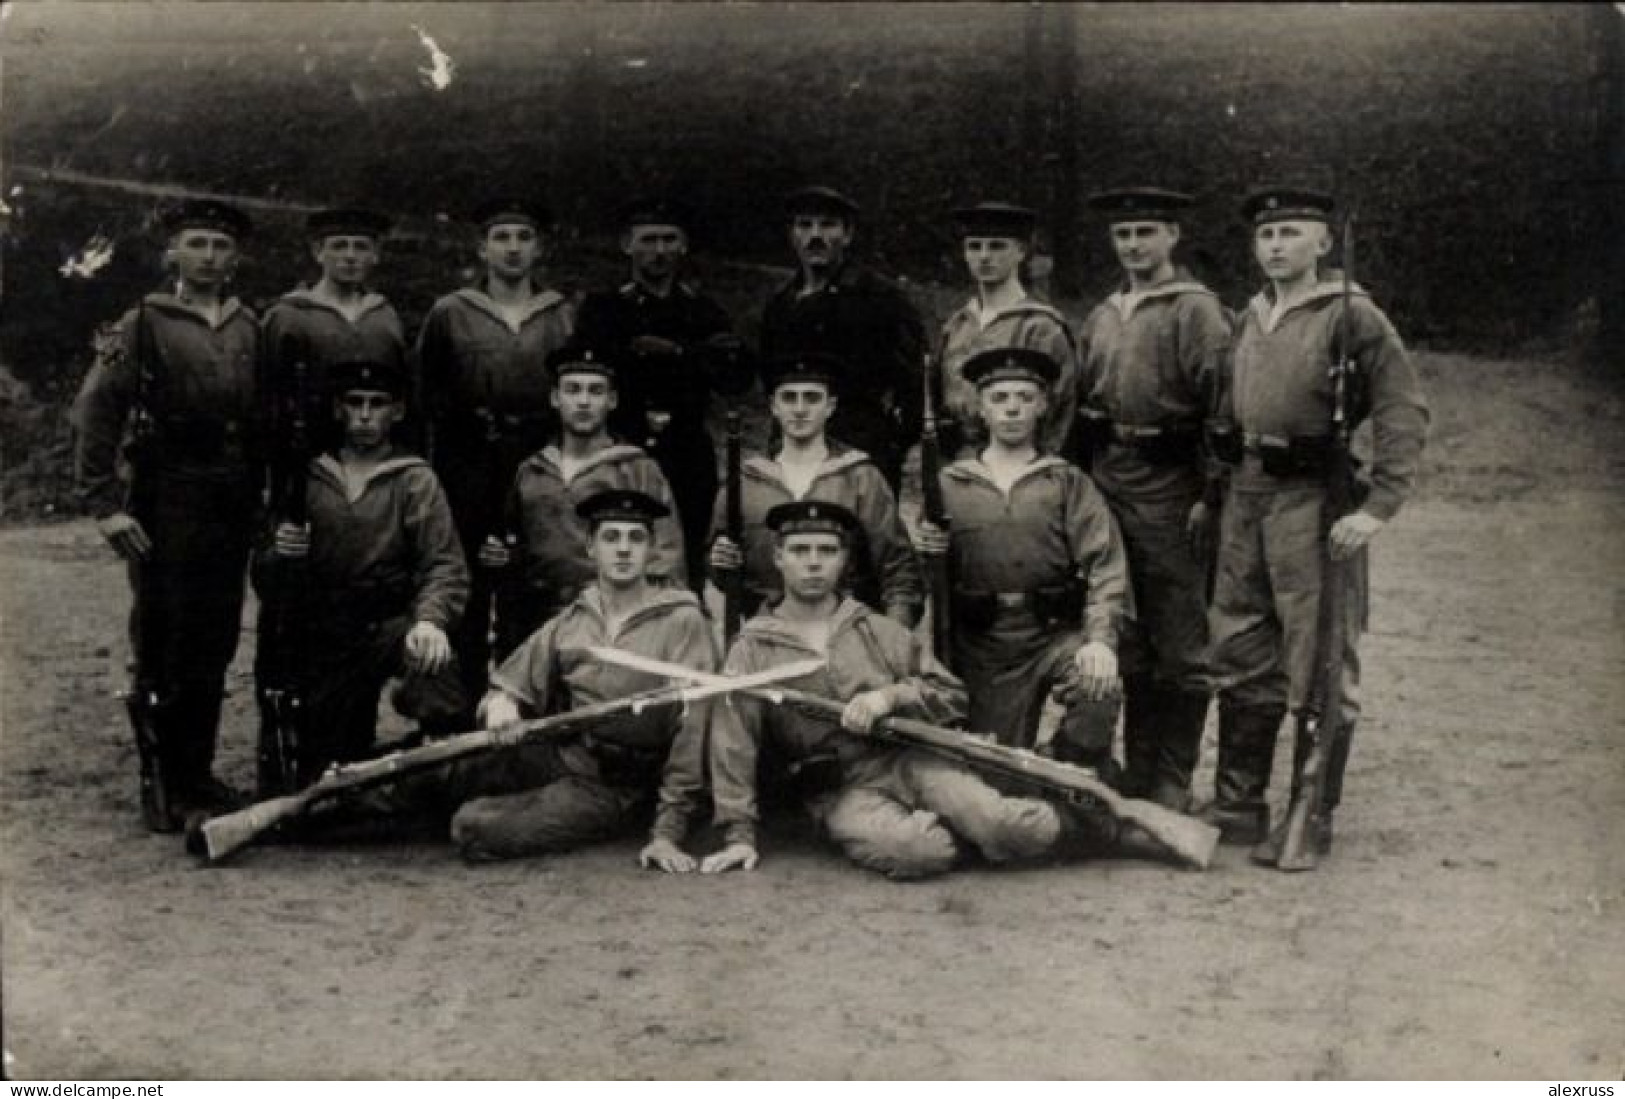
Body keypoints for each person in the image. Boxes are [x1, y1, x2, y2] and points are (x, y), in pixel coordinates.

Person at [273, 490, 719, 865]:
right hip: (559, 753)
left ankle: (406, 819)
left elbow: (693, 733)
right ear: (591, 548)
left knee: (475, 827)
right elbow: (509, 684)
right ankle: (292, 817)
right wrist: (504, 706)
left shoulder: (682, 622)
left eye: (635, 539)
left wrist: (668, 831)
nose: (623, 549)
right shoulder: (577, 617)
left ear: (651, 550)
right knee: (433, 769)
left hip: (613, 787)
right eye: (611, 538)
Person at [696, 500, 1113, 879]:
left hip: (911, 758)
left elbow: (949, 693)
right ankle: (961, 832)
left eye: (826, 551)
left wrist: (888, 698)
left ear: (844, 560)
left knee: (1006, 824)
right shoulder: (753, 647)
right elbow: (734, 743)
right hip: (840, 788)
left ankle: (1094, 826)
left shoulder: (877, 629)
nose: (813, 564)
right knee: (917, 852)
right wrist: (739, 834)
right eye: (800, 551)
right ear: (778, 558)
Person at [1204, 185, 1429, 857]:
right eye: (1266, 235)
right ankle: (1238, 802)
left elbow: (1401, 408)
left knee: (1320, 653)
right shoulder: (1249, 315)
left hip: (1312, 498)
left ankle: (1310, 810)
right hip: (1245, 494)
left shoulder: (1351, 315)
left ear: (1323, 243)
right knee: (1239, 642)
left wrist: (1376, 507)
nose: (1275, 246)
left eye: (1291, 233)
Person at [71, 199, 262, 829]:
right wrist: (103, 503)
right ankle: (162, 780)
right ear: (173, 253)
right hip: (167, 491)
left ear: (236, 259)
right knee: (164, 637)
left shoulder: (247, 325)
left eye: (220, 246)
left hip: (230, 493)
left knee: (216, 637)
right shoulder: (142, 322)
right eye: (197, 243)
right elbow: (96, 409)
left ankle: (198, 771)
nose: (209, 256)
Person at [1073, 187, 1232, 809]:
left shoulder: (1197, 311)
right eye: (1122, 234)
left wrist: (1209, 492)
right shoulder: (1104, 313)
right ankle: (1137, 769)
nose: (1133, 245)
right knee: (1126, 627)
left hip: (1173, 488)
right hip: (1111, 480)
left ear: (1173, 236)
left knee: (1180, 635)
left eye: (1145, 231)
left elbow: (1225, 407)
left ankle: (1172, 777)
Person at [913, 347, 1132, 776]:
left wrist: (1100, 641)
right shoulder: (949, 485)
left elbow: (1106, 565)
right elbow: (922, 581)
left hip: (1049, 636)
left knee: (1098, 688)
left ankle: (1073, 768)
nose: (1012, 408)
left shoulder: (1066, 482)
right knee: (995, 773)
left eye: (1024, 397)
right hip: (983, 649)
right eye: (999, 398)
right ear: (980, 408)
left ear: (1043, 405)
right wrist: (927, 551)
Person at [260, 358, 468, 784]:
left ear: (398, 411)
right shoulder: (307, 478)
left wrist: (429, 620)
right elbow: (264, 578)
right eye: (354, 403)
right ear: (338, 410)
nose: (366, 415)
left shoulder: (414, 480)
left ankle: (443, 767)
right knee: (325, 772)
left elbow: (444, 563)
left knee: (431, 661)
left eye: (378, 403)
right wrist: (280, 553)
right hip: (325, 631)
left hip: (388, 622)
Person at [416, 197, 574, 716]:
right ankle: (454, 716)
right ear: (482, 248)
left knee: (529, 584)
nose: (512, 248)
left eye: (523, 237)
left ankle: (523, 709)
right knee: (466, 586)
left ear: (539, 248)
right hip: (468, 466)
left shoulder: (560, 315)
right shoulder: (451, 313)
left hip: (535, 462)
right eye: (501, 237)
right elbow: (427, 400)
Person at [572, 195, 748, 590]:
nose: (660, 251)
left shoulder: (704, 311)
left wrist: (677, 353)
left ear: (684, 246)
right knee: (617, 551)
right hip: (621, 446)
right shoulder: (602, 310)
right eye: (648, 240)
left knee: (685, 560)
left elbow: (732, 378)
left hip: (687, 452)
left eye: (670, 240)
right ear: (627, 245)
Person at [707, 352, 922, 627]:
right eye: (789, 398)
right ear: (773, 406)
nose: (799, 409)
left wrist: (892, 639)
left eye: (812, 397)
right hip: (765, 632)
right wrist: (719, 562)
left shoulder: (859, 477)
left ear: (830, 406)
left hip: (844, 630)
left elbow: (898, 570)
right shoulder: (747, 481)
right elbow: (718, 570)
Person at [496, 346, 685, 649]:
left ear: (612, 401)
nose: (583, 401)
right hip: (537, 622)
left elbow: (666, 557)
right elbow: (513, 549)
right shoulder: (531, 471)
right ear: (555, 398)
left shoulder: (637, 469)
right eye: (573, 390)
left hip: (610, 619)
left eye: (595, 391)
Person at [758, 185, 926, 490]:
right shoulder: (780, 305)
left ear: (847, 236)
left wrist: (888, 446)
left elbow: (914, 385)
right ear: (792, 235)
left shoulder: (880, 298)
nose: (816, 235)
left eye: (827, 225)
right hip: (793, 446)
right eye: (805, 225)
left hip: (861, 451)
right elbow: (771, 381)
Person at [260, 207, 407, 459]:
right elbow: (267, 394)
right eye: (339, 246)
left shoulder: (385, 316)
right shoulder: (288, 315)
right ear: (318, 252)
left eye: (360, 247)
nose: (350, 256)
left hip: (373, 450)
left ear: (375, 255)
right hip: (306, 451)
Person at [936, 202, 1078, 459]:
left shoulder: (1039, 327)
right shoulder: (958, 325)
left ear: (1021, 251)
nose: (984, 256)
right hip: (962, 460)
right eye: (974, 246)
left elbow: (1060, 410)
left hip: (1022, 459)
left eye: (997, 246)